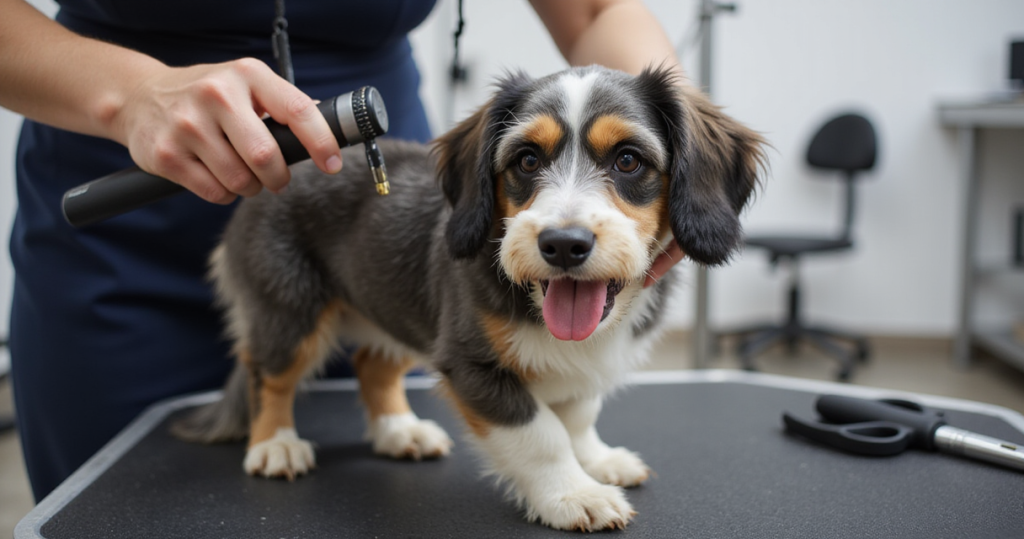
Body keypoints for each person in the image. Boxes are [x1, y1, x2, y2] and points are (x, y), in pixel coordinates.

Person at [0, 0, 686, 501]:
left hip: (372, 157)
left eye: (628, 161)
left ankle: (384, 408)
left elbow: (595, 8)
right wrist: (129, 95)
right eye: (530, 160)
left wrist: (683, 149)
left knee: (400, 348)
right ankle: (270, 416)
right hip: (121, 185)